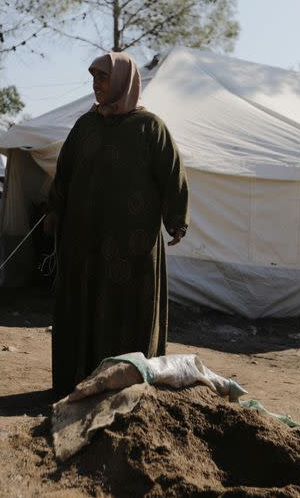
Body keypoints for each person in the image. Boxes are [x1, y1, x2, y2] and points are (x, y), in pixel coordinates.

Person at [44, 51, 189, 397]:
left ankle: (128, 386)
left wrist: (176, 221)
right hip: (84, 243)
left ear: (123, 81)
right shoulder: (85, 127)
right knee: (83, 310)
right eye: (94, 79)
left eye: (103, 78)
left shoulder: (150, 127)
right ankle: (77, 384)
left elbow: (172, 175)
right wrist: (53, 210)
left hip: (132, 247)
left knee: (128, 314)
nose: (96, 85)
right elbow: (64, 174)